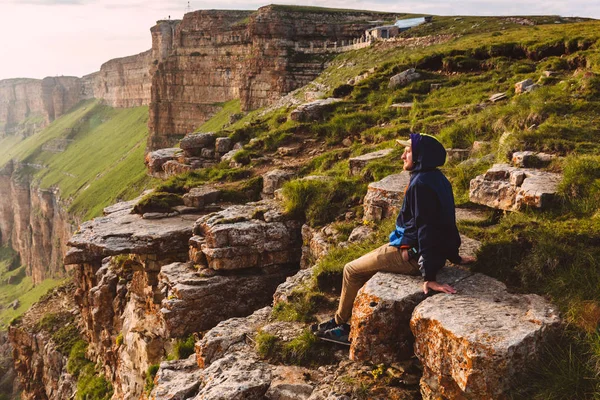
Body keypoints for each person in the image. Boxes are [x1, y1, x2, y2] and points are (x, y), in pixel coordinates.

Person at [313, 133, 476, 344]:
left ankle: (343, 325)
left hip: (409, 255)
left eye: (407, 151)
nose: (402, 156)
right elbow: (447, 220)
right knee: (362, 267)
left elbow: (427, 228)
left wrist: (429, 277)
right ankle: (342, 320)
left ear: (420, 156)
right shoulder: (437, 178)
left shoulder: (420, 185)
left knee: (351, 270)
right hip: (413, 247)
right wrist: (453, 255)